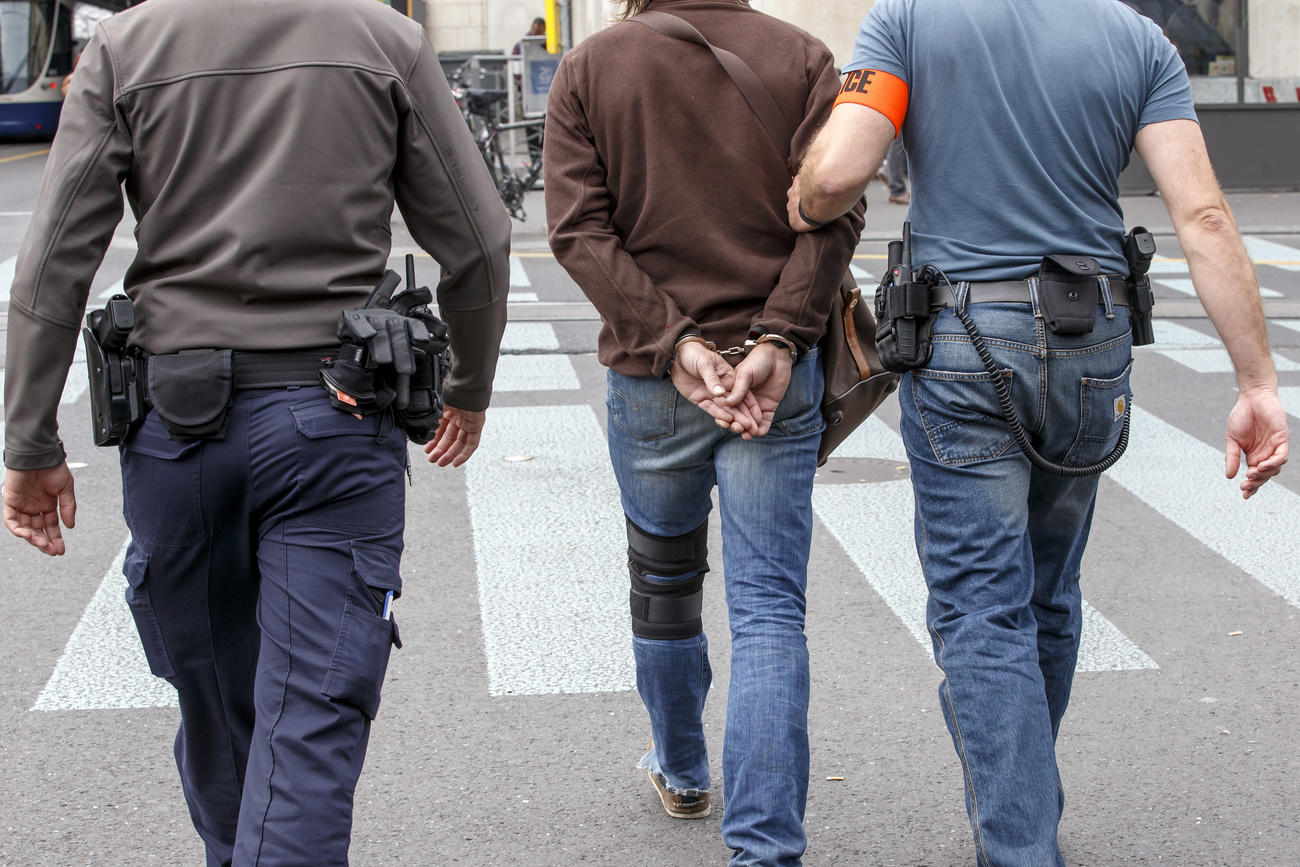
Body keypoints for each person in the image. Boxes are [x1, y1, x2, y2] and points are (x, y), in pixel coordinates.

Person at [1, 0, 509, 863]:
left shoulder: (129, 45)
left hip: (179, 426)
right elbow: (481, 240)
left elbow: (54, 260)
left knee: (214, 702)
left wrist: (30, 442)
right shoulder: (383, 38)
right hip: (336, 427)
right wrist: (466, 384)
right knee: (311, 715)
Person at [787, 1, 1289, 863]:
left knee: (983, 611)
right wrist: (1257, 382)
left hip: (963, 344)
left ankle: (1019, 841)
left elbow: (838, 176)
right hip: (1091, 338)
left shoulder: (908, 21)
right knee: (1048, 595)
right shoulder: (1139, 40)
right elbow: (1203, 216)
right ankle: (1020, 799)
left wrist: (801, 202)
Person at [544, 0, 863, 863]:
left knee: (664, 584)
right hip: (773, 378)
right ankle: (764, 846)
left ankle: (682, 767)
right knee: (768, 613)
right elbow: (835, 211)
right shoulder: (801, 58)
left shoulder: (592, 65)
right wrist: (779, 336)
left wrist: (674, 342)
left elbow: (577, 229)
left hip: (654, 381)